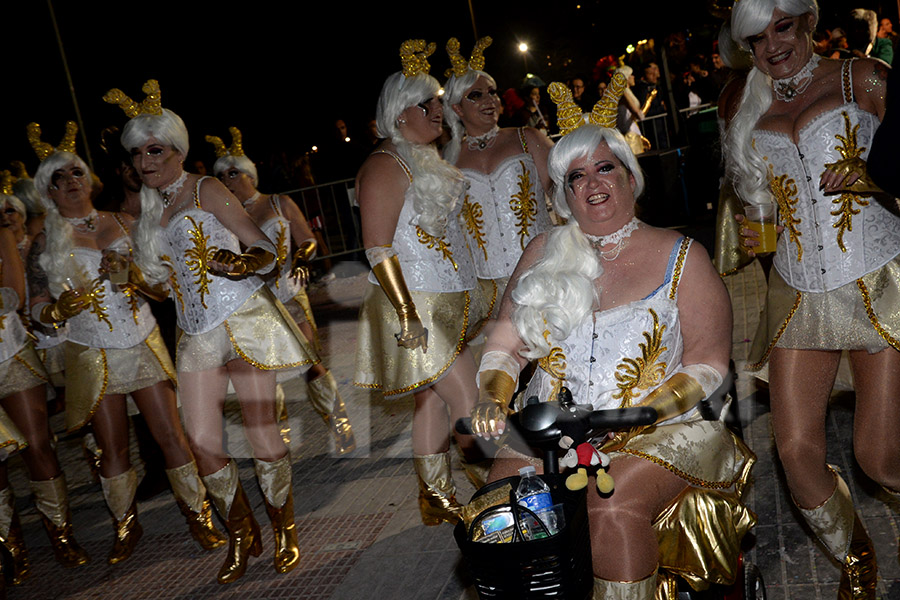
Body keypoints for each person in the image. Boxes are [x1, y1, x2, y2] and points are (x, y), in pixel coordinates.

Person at [470, 79, 755, 597]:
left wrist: (649, 410)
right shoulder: (542, 251)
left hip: (663, 427)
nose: (593, 183)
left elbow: (711, 361)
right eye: (576, 175)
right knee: (500, 512)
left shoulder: (681, 255)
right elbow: (505, 341)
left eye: (605, 167)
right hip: (553, 427)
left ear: (629, 174)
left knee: (613, 504)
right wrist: (493, 392)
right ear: (564, 192)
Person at [105, 80, 316, 583]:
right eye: (136, 153)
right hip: (197, 334)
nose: (144, 161)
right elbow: (167, 291)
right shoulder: (149, 212)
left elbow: (264, 248)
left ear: (178, 150)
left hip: (243, 319)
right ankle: (241, 530)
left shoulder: (207, 188)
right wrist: (134, 278)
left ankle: (284, 527)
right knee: (201, 442)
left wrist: (242, 265)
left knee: (263, 432)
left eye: (154, 149)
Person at [724, 1, 897, 596]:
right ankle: (857, 563)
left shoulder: (864, 78)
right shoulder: (747, 109)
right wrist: (757, 240)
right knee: (795, 454)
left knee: (878, 458)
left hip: (878, 278)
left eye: (781, 27)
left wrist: (875, 179)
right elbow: (762, 213)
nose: (772, 45)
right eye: (756, 38)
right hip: (798, 291)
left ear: (805, 25)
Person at [26, 121, 226, 565]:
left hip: (140, 339)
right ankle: (125, 525)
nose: (71, 183)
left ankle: (200, 514)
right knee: (113, 447)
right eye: (59, 179)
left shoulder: (126, 221)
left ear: (89, 178)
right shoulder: (44, 241)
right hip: (91, 350)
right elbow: (35, 303)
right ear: (48, 192)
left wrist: (138, 278)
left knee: (171, 434)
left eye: (76, 172)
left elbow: (163, 284)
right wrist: (57, 310)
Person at [353, 40, 488, 526]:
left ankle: (434, 494)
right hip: (414, 305)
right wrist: (407, 313)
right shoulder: (384, 166)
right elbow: (378, 248)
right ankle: (493, 486)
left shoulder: (423, 159)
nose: (437, 111)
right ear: (397, 113)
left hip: (444, 299)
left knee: (431, 399)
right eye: (425, 104)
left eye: (437, 102)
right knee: (470, 401)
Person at [208, 126, 356, 454]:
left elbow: (308, 240)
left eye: (232, 172)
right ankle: (280, 443)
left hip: (288, 292)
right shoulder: (222, 218)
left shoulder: (278, 202)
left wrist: (302, 258)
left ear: (249, 173)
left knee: (310, 363)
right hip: (254, 303)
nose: (226, 179)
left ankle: (341, 427)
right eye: (220, 175)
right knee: (267, 374)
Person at [0, 171, 90, 585]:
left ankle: (61, 536)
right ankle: (11, 550)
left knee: (37, 444)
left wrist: (3, 231)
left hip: (10, 351)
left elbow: (14, 295)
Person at [442, 36, 554, 319]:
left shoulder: (527, 138)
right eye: (476, 95)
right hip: (486, 292)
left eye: (491, 92)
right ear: (457, 108)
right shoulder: (445, 160)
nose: (489, 100)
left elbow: (565, 193)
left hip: (543, 276)